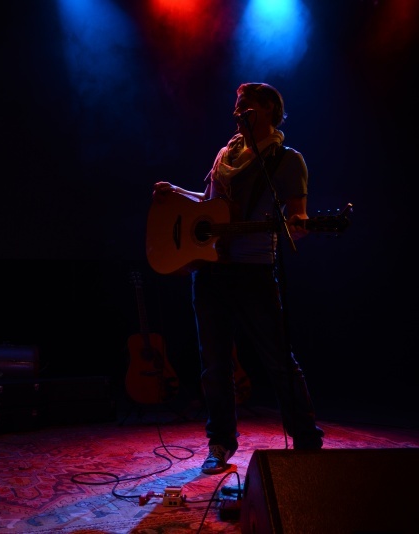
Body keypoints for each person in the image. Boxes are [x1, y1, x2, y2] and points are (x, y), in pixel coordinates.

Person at [152, 82, 324, 475]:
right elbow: (209, 206)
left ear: (267, 109)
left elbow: (298, 217)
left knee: (278, 360)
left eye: (244, 106)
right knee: (215, 365)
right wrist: (176, 191)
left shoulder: (286, 160)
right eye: (236, 106)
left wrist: (302, 226)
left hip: (254, 271)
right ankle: (220, 444)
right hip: (210, 273)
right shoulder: (225, 153)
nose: (236, 113)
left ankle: (306, 439)